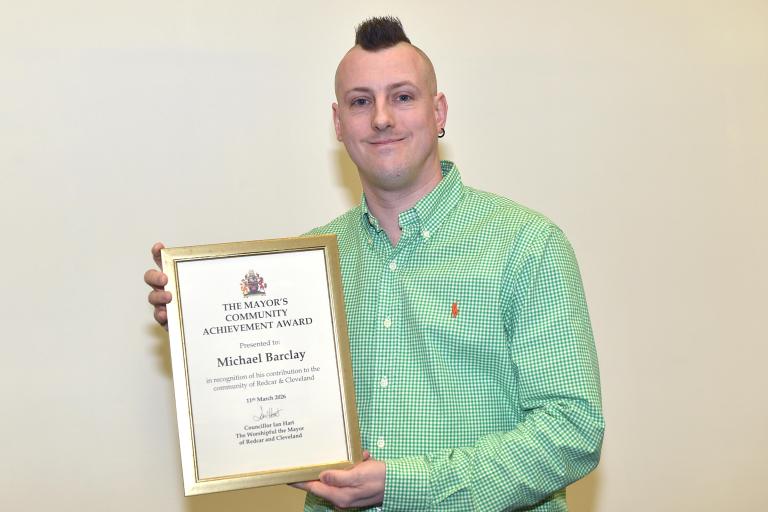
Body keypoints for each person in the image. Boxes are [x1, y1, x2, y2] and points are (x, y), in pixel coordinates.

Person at [145, 17, 604, 511]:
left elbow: (572, 428)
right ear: (339, 123)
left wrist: (405, 486)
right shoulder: (304, 269)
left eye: (402, 97)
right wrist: (203, 329)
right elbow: (278, 427)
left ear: (439, 110)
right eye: (361, 102)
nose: (381, 118)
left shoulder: (526, 246)